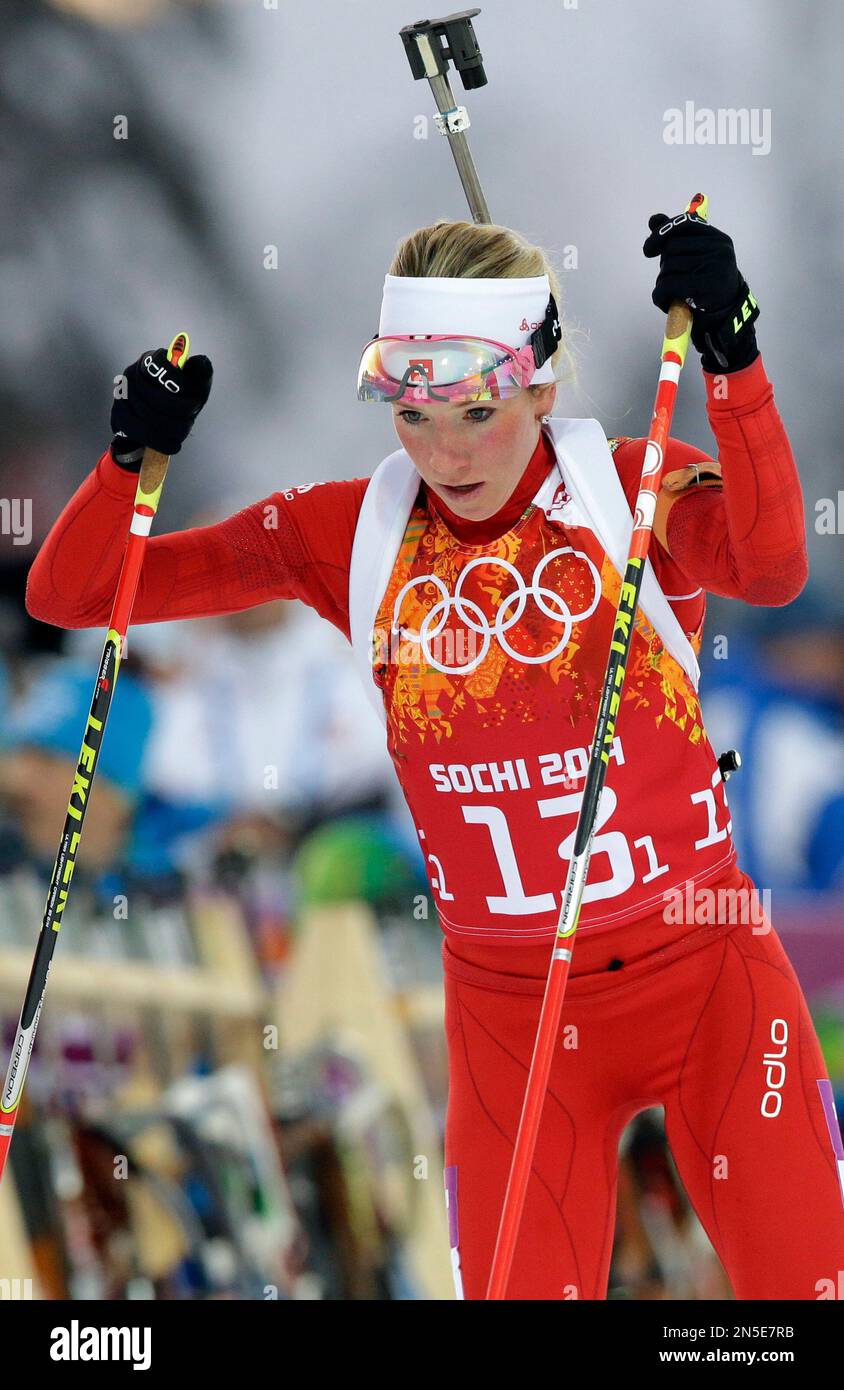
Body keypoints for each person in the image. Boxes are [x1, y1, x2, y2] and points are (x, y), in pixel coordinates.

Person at [26, 210, 844, 1300]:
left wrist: (732, 355)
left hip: (706, 977)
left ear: (540, 386)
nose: (443, 451)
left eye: (474, 411)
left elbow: (774, 564)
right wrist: (133, 460)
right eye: (412, 413)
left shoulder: (628, 491)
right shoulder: (350, 534)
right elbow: (76, 593)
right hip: (516, 1020)